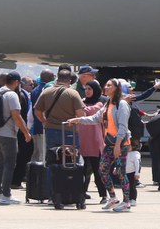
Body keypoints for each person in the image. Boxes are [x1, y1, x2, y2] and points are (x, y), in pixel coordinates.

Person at [68, 78, 132, 212]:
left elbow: (123, 127)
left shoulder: (122, 104)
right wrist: (78, 120)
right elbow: (95, 118)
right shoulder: (108, 104)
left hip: (120, 144)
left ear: (116, 88)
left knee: (120, 172)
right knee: (102, 170)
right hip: (109, 143)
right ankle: (113, 198)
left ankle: (127, 201)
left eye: (109, 85)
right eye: (106, 85)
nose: (106, 87)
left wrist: (118, 145)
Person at [33, 67, 85, 199]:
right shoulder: (73, 94)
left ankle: (53, 194)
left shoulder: (46, 92)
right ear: (69, 80)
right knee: (72, 162)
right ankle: (70, 193)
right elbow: (80, 115)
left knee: (52, 161)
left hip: (51, 130)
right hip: (69, 131)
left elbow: (37, 112)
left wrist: (45, 122)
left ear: (57, 77)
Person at [0, 71, 31, 205]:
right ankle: (6, 194)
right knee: (9, 163)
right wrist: (25, 132)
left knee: (0, 163)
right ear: (16, 82)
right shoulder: (12, 95)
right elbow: (16, 116)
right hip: (8, 134)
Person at [79, 80, 106, 202]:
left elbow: (90, 112)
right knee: (82, 171)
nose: (87, 91)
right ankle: (81, 192)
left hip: (95, 142)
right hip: (82, 141)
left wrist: (80, 108)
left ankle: (104, 195)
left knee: (97, 171)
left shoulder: (100, 104)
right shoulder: (82, 102)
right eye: (86, 89)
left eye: (90, 89)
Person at [29, 69, 55, 163]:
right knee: (42, 155)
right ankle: (40, 176)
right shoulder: (48, 90)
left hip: (36, 125)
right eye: (53, 77)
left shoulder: (34, 91)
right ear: (49, 78)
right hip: (44, 125)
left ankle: (32, 174)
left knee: (36, 152)